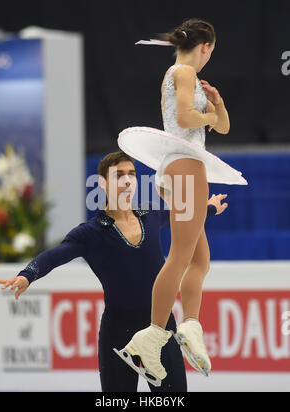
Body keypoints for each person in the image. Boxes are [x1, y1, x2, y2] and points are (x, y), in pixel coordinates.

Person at [0, 151, 227, 392]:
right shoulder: (90, 233)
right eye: (119, 175)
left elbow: (182, 215)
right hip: (118, 332)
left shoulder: (150, 215)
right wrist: (27, 274)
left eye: (132, 175)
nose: (127, 181)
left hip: (160, 326)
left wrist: (209, 207)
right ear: (102, 184)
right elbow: (54, 255)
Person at [114, 18, 248, 385]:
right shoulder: (184, 72)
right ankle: (151, 337)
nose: (208, 60)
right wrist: (206, 114)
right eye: (211, 53)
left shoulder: (179, 74)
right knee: (180, 257)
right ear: (205, 47)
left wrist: (217, 105)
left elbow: (222, 128)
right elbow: (187, 117)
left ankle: (189, 326)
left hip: (180, 168)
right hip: (186, 168)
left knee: (199, 259)